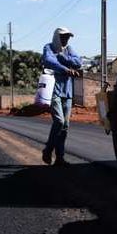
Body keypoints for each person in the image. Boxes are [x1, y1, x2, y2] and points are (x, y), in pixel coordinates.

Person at [41, 27, 81, 166]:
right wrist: (65, 69)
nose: (66, 39)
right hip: (54, 91)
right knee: (59, 121)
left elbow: (78, 62)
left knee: (65, 126)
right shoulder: (49, 47)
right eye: (63, 37)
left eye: (68, 37)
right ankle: (48, 149)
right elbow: (48, 61)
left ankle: (60, 157)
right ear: (57, 37)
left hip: (67, 92)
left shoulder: (69, 49)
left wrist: (63, 58)